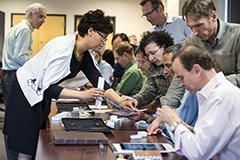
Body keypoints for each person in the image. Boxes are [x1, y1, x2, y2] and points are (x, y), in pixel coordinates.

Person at [2, 9, 126, 159]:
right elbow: (48, 88)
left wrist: (121, 101)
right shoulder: (63, 48)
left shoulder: (84, 54)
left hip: (40, 92)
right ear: (90, 30)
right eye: (103, 37)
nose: (104, 42)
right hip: (26, 91)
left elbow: (100, 82)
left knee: (37, 140)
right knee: (26, 144)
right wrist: (83, 95)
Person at [148, 44, 240, 160]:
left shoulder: (222, 97)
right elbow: (203, 137)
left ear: (197, 70)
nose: (180, 84)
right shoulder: (211, 94)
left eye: (181, 77)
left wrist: (174, 122)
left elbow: (197, 153)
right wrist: (179, 123)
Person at [159, 0, 240, 110]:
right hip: (207, 105)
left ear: (213, 16)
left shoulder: (236, 35)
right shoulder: (192, 41)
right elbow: (179, 78)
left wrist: (212, 83)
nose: (195, 32)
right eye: (190, 27)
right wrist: (166, 108)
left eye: (198, 25)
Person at [1, 3, 47, 107]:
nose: (43, 21)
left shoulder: (16, 27)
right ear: (30, 14)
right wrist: (38, 65)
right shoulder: (25, 30)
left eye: (44, 18)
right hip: (14, 75)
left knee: (11, 110)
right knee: (16, 111)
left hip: (8, 75)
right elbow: (20, 58)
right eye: (40, 16)